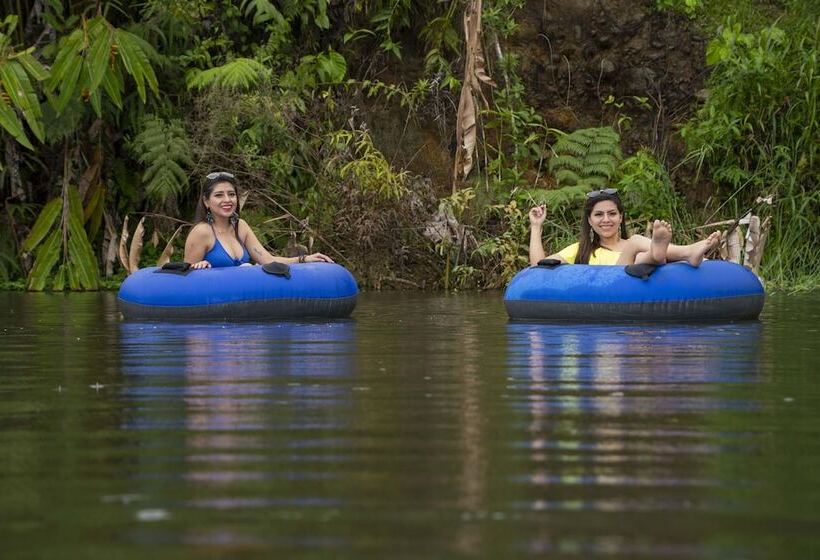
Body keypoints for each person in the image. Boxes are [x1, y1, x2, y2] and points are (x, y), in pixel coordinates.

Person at [528, 188, 720, 267]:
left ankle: (659, 254)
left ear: (621, 218)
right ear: (589, 221)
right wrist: (536, 227)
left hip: (639, 271)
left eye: (612, 214)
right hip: (612, 285)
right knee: (636, 244)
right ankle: (687, 252)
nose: (606, 220)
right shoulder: (580, 250)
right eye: (598, 214)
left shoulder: (633, 246)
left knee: (642, 256)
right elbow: (538, 267)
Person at [184, 171, 333, 269]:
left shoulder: (240, 227)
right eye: (219, 195)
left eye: (231, 194)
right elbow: (185, 274)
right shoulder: (202, 232)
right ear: (206, 201)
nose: (227, 200)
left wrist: (303, 259)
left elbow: (267, 259)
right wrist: (198, 267)